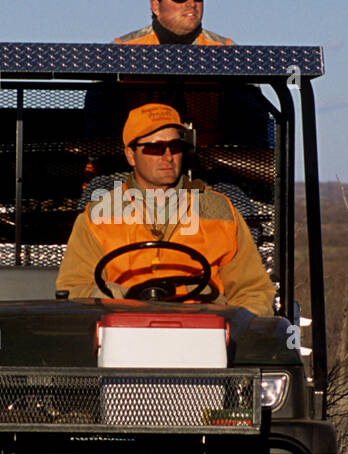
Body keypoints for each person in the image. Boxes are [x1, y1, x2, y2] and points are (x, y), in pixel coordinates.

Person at [57, 104, 276, 316]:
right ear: (131, 155)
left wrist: (228, 329)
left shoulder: (221, 211)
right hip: (124, 336)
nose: (168, 156)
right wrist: (123, 300)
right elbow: (74, 291)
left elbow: (254, 292)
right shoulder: (97, 216)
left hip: (201, 339)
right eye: (155, 147)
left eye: (176, 146)